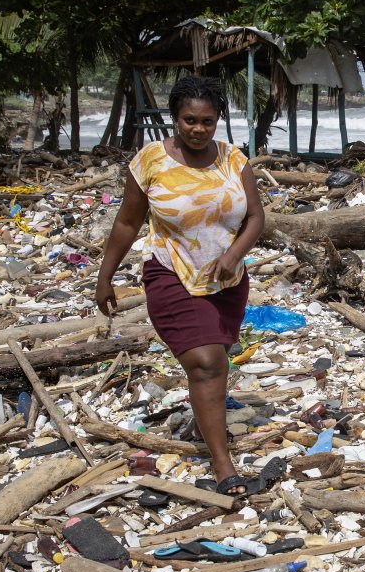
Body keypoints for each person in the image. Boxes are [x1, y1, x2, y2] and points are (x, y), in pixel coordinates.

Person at [96, 75, 265, 495]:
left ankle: (203, 424)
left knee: (214, 361)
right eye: (189, 120)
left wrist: (233, 256)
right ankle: (223, 465)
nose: (198, 129)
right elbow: (127, 222)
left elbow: (256, 218)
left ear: (218, 121)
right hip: (171, 272)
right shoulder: (151, 160)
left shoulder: (234, 160)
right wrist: (105, 277)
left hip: (228, 280)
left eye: (207, 121)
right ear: (174, 118)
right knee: (207, 362)